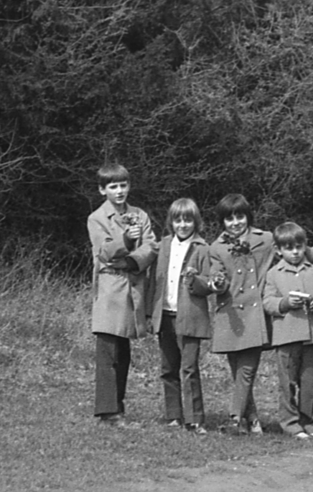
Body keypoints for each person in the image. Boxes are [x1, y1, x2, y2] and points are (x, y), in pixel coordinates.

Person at [88, 161, 157, 425]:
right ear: (102, 190)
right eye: (113, 186)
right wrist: (126, 240)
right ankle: (107, 411)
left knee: (123, 353)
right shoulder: (96, 218)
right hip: (109, 290)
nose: (119, 191)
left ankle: (117, 407)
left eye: (123, 185)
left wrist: (130, 260)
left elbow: (152, 247)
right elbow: (104, 252)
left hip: (132, 290)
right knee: (108, 352)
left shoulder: (140, 215)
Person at [261, 221, 313, 440]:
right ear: (279, 250)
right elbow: (268, 302)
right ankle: (290, 422)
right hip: (286, 335)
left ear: (305, 246)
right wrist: (285, 303)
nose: (295, 252)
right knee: (288, 381)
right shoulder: (273, 274)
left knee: (311, 381)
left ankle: (308, 421)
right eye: (289, 248)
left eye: (298, 247)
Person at [204, 192, 275, 434]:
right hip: (230, 314)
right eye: (229, 218)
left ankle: (235, 420)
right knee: (239, 373)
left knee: (246, 370)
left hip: (255, 314)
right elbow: (217, 277)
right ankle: (253, 420)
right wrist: (217, 283)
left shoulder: (265, 239)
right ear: (222, 221)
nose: (235, 223)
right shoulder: (216, 247)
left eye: (240, 216)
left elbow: (295, 244)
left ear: (248, 216)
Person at [149, 197, 214, 434]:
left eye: (188, 220)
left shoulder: (202, 248)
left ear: (195, 222)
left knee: (189, 368)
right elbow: (153, 280)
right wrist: (149, 312)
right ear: (171, 222)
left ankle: (194, 418)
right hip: (165, 314)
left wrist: (196, 280)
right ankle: (173, 415)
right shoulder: (163, 245)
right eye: (178, 220)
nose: (183, 225)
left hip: (190, 316)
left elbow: (209, 282)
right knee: (168, 368)